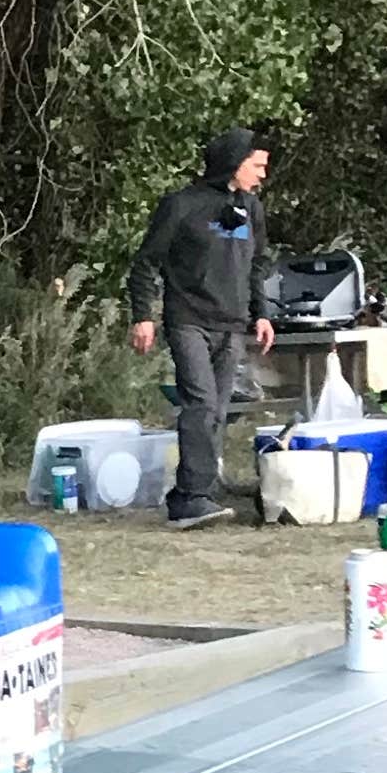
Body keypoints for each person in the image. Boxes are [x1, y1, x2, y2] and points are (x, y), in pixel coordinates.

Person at [127, 126, 278, 525]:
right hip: (189, 319)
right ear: (234, 163)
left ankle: (202, 489)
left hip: (232, 324)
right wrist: (143, 314)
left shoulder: (251, 209)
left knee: (219, 410)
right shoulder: (181, 205)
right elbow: (146, 262)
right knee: (201, 404)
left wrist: (261, 313)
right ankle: (190, 498)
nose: (262, 175)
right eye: (257, 166)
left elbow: (257, 264)